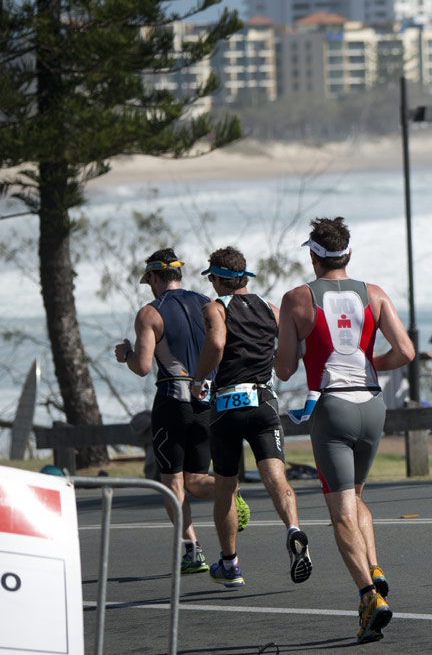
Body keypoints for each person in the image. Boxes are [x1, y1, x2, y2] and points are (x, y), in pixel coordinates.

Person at [275, 217, 415, 644]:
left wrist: (299, 347)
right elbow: (406, 351)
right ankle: (372, 566)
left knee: (340, 512)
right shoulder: (374, 294)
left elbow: (282, 370)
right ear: (348, 254)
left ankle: (369, 595)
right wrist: (372, 365)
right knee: (355, 498)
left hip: (332, 406)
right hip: (372, 404)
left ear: (314, 256)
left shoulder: (296, 299)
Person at [113, 248, 246, 574]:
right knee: (197, 478)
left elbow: (143, 366)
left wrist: (126, 353)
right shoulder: (207, 302)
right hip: (207, 400)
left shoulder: (150, 312)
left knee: (172, 480)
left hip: (172, 402)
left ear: (155, 277)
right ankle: (228, 487)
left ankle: (191, 551)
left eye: (150, 281)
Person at [188, 246, 312, 589]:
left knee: (226, 487)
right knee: (276, 476)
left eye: (212, 278)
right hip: (264, 401)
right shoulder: (270, 309)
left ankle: (230, 564)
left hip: (227, 404)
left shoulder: (214, 307)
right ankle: (292, 528)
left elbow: (215, 342)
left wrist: (199, 380)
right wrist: (270, 364)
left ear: (217, 279)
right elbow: (295, 347)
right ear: (244, 277)